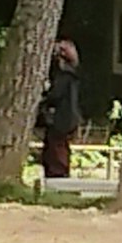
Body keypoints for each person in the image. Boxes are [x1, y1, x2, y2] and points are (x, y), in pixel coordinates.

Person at [37, 37, 83, 181]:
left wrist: (44, 94)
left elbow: (55, 95)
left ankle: (58, 176)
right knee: (59, 145)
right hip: (69, 117)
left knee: (56, 147)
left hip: (61, 118)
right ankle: (58, 174)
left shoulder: (64, 76)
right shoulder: (72, 75)